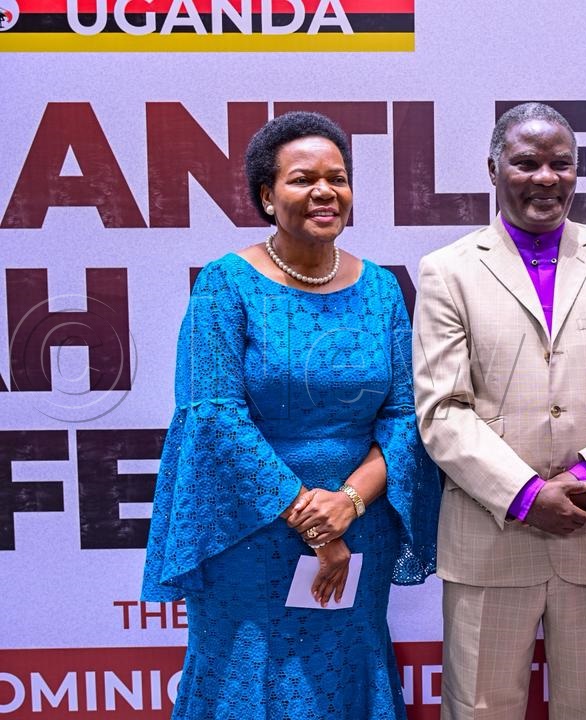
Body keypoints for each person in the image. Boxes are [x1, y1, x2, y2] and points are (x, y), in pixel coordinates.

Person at [141, 111, 440, 719]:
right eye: (303, 178)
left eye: (338, 177)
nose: (324, 191)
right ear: (266, 195)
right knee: (249, 676)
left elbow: (405, 416)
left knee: (349, 669)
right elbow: (214, 415)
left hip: (359, 528)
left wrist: (347, 505)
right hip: (250, 532)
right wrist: (311, 520)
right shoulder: (227, 285)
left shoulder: (381, 287)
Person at [412, 102, 586, 719]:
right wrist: (527, 495)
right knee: (479, 709)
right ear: (493, 167)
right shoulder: (448, 271)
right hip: (490, 535)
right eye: (526, 162)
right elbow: (442, 411)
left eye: (561, 164)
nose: (545, 177)